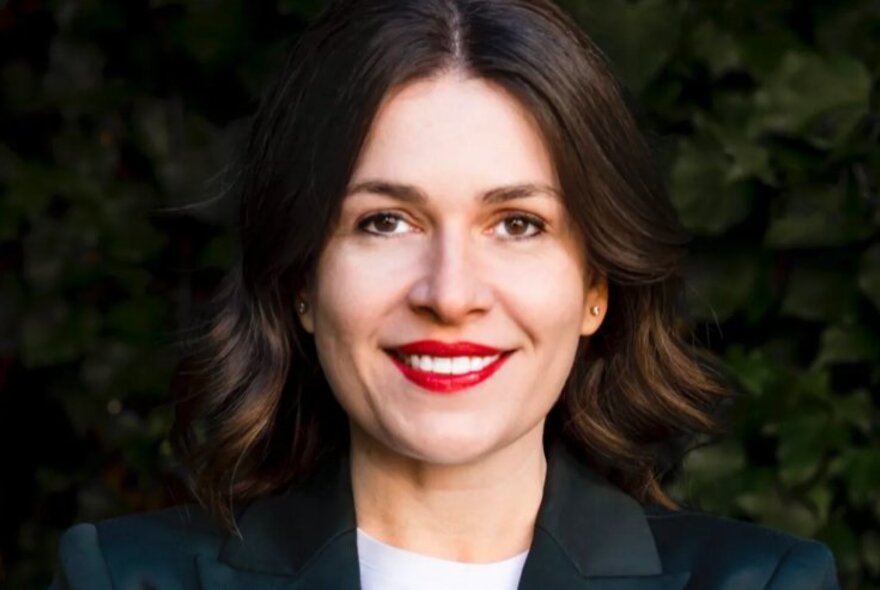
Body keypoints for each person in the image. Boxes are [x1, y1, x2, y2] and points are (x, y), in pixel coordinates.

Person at [49, 0, 842, 588]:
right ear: (300, 283)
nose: (451, 293)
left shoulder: (765, 583)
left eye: (519, 224)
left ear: (596, 286)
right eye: (386, 222)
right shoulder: (117, 578)